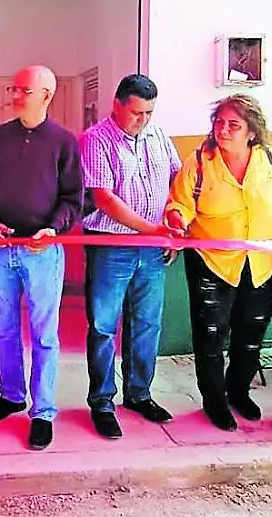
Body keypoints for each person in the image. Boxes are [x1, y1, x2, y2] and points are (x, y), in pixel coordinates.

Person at [165, 94, 272, 431]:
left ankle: (239, 391)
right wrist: (177, 220)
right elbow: (180, 204)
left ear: (251, 131)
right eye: (219, 122)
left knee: (250, 333)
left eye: (233, 125)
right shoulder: (199, 161)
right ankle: (214, 400)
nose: (223, 130)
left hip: (261, 263)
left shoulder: (271, 160)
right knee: (210, 335)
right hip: (211, 262)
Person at [0, 65, 83, 450]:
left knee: (44, 334)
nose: (16, 96)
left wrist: (52, 229)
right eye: (14, 89)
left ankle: (43, 411)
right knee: (2, 328)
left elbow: (73, 199)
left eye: (24, 90)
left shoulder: (64, 142)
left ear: (47, 96)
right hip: (1, 249)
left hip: (43, 252)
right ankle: (11, 395)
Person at [78, 74, 181, 439]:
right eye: (136, 112)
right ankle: (102, 402)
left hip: (153, 249)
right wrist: (152, 230)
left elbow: (177, 181)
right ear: (117, 105)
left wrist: (174, 224)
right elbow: (104, 198)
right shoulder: (95, 139)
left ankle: (139, 394)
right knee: (103, 326)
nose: (143, 120)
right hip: (111, 245)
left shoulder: (159, 136)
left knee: (147, 324)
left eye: (149, 113)